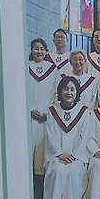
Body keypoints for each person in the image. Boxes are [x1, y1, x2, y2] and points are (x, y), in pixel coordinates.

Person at [43, 74, 91, 199]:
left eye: (72, 89)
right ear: (60, 91)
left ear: (77, 92)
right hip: (57, 155)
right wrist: (59, 154)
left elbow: (85, 137)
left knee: (73, 171)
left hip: (76, 157)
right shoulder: (52, 111)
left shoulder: (83, 112)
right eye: (65, 89)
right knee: (57, 169)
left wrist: (74, 155)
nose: (68, 92)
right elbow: (50, 135)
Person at [27, 38, 55, 176]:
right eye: (36, 48)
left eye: (42, 49)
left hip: (45, 117)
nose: (39, 52)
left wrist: (47, 113)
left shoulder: (52, 69)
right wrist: (29, 109)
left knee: (43, 153)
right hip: (29, 117)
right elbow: (21, 91)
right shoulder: (25, 67)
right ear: (31, 50)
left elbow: (55, 93)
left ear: (46, 51)